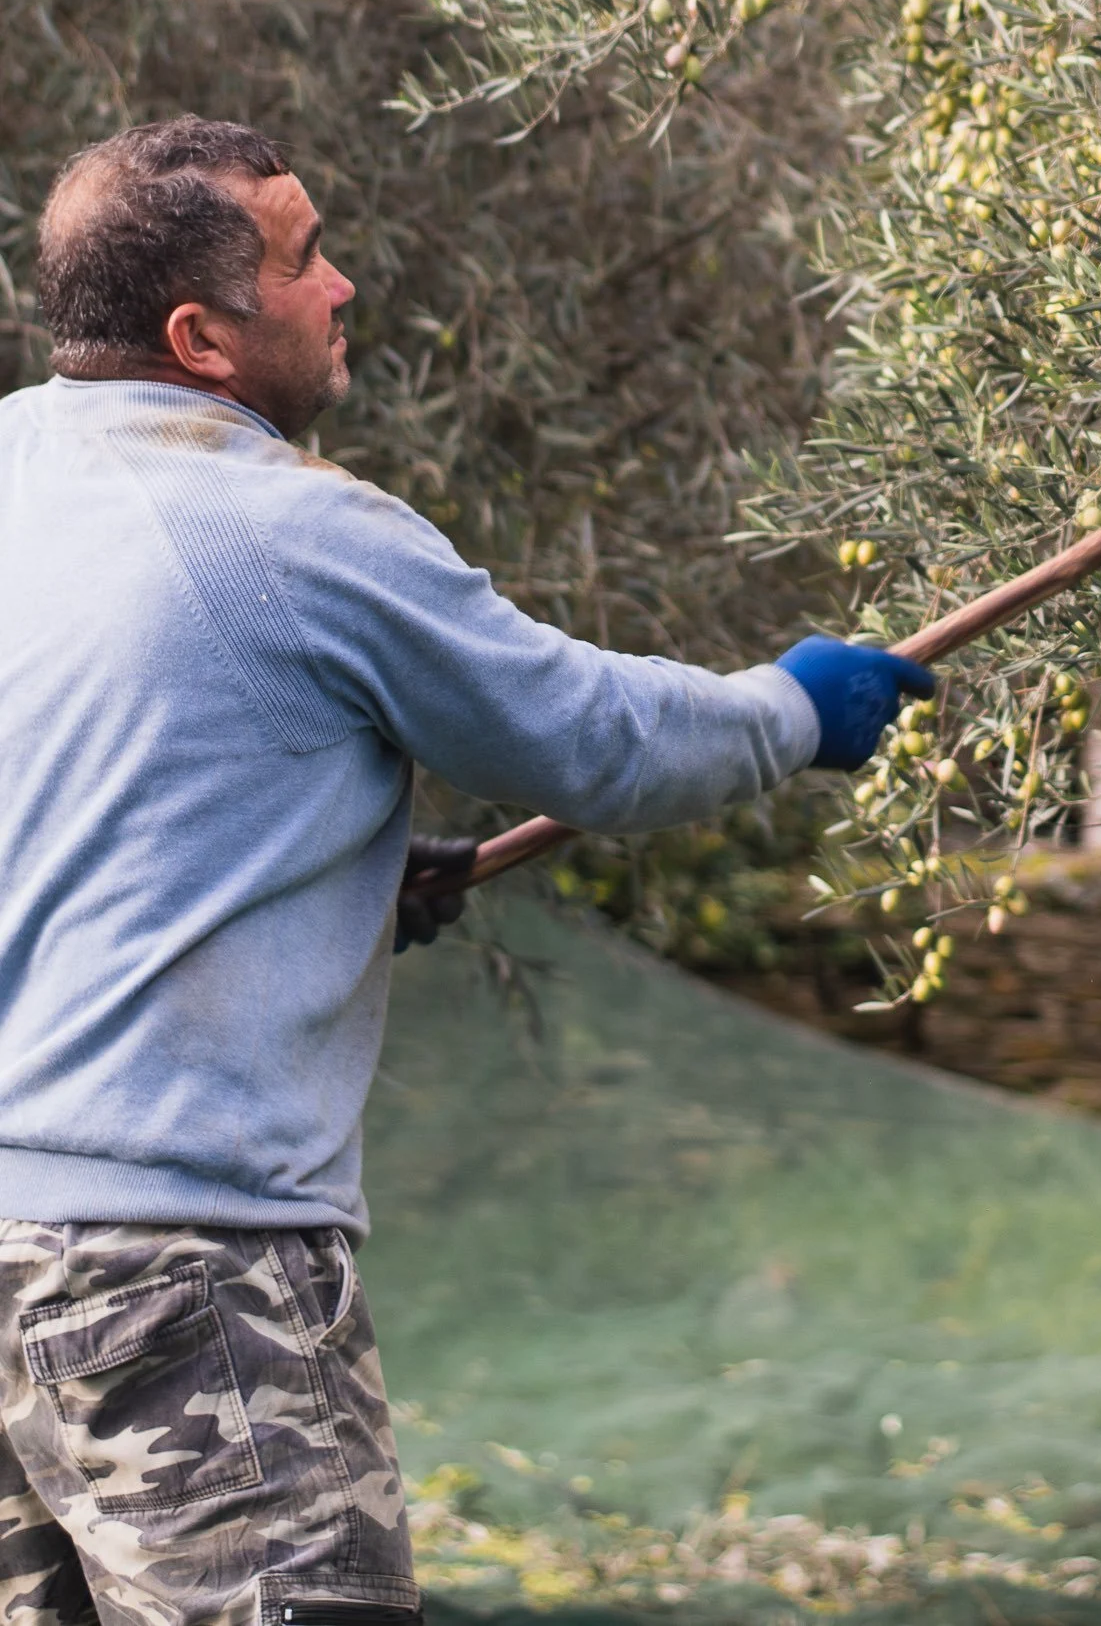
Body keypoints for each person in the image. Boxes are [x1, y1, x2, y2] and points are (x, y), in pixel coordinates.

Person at [0, 118, 934, 1626]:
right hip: (180, 1274)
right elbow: (595, 741)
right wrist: (792, 712)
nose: (346, 286)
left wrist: (340, 881)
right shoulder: (287, 530)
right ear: (202, 336)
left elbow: (92, 788)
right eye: (304, 267)